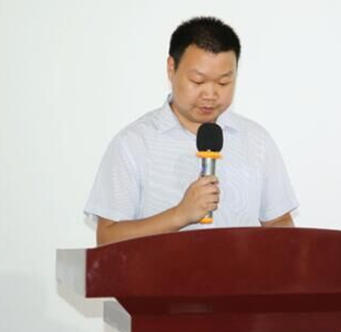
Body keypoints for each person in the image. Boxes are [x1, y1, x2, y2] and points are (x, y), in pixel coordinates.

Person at [84, 16, 298, 247]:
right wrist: (179, 215)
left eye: (223, 83)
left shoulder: (256, 140)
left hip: (240, 271)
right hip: (161, 272)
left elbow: (279, 222)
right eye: (197, 81)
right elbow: (107, 239)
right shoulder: (133, 143)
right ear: (171, 68)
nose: (210, 94)